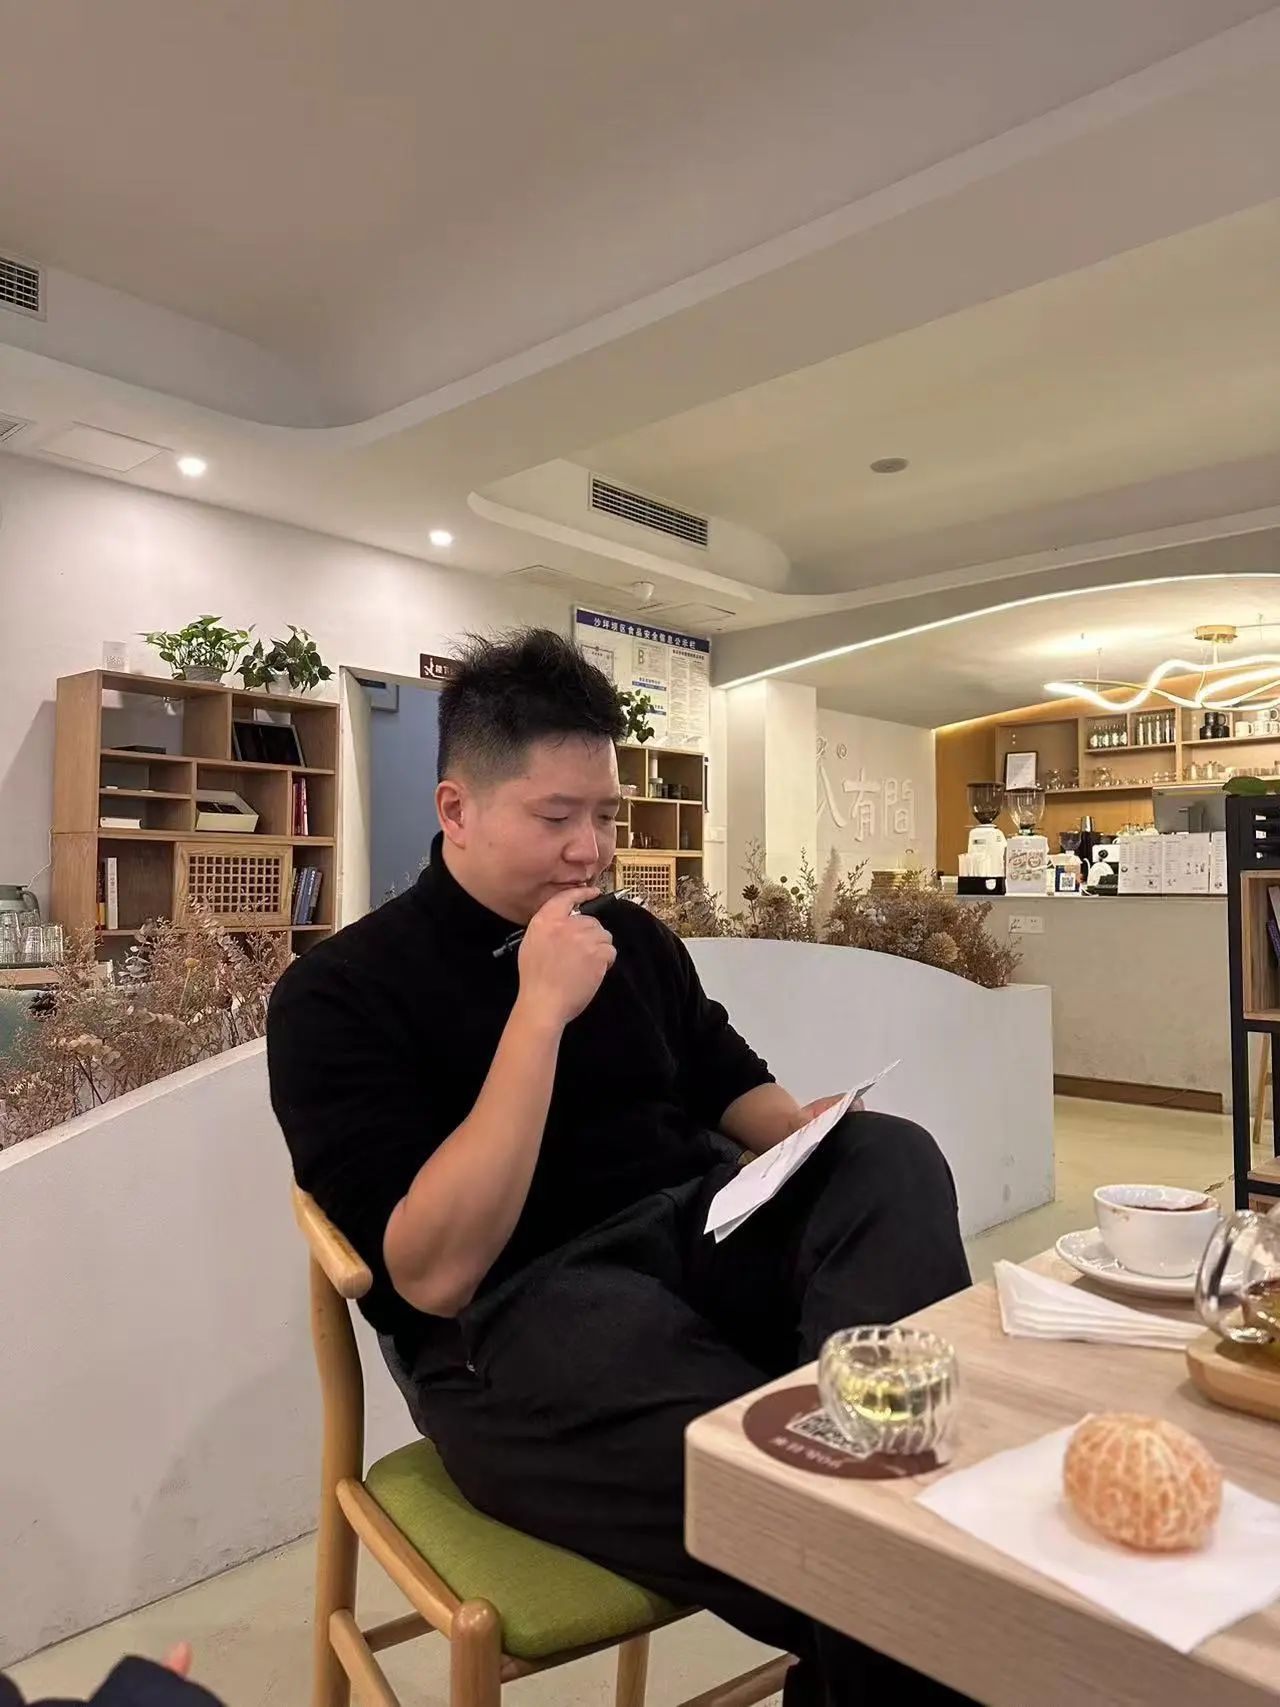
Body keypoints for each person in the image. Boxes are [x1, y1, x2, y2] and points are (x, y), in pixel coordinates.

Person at [268, 629, 971, 1705]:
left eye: (605, 815)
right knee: (871, 1551)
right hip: (518, 1318)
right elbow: (433, 1273)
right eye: (556, 818)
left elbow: (726, 1078)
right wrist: (538, 1011)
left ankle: (871, 1479)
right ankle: (879, 1522)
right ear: (456, 809)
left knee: (888, 1155)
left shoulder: (630, 938)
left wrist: (804, 1133)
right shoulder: (341, 992)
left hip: (695, 1240)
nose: (589, 851)